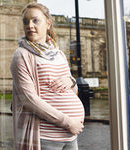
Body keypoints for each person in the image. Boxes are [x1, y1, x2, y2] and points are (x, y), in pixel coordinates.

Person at [10, 2, 85, 150]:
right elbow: (29, 100)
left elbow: (73, 90)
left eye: (35, 20)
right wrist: (69, 122)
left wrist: (71, 80)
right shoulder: (22, 55)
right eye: (26, 21)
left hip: (70, 136)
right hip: (45, 137)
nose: (30, 25)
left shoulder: (59, 53)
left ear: (48, 24)